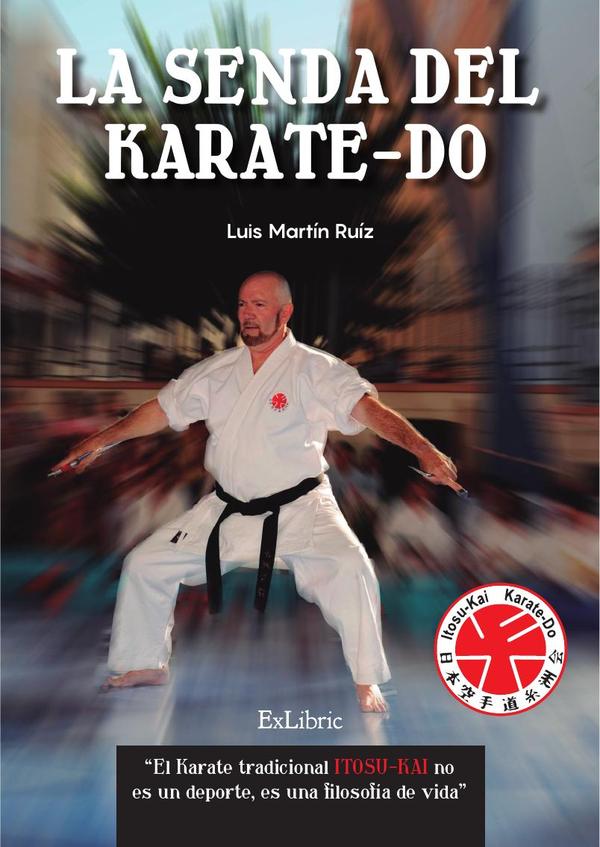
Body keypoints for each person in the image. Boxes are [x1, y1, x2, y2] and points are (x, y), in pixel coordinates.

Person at [52, 272, 461, 712]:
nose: (247, 314)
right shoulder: (217, 371)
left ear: (285, 313)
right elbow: (160, 410)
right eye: (243, 304)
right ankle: (145, 663)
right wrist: (100, 440)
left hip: (302, 507)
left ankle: (366, 679)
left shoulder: (315, 369)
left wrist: (424, 448)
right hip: (226, 508)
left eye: (259, 305)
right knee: (145, 564)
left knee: (352, 568)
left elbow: (368, 410)